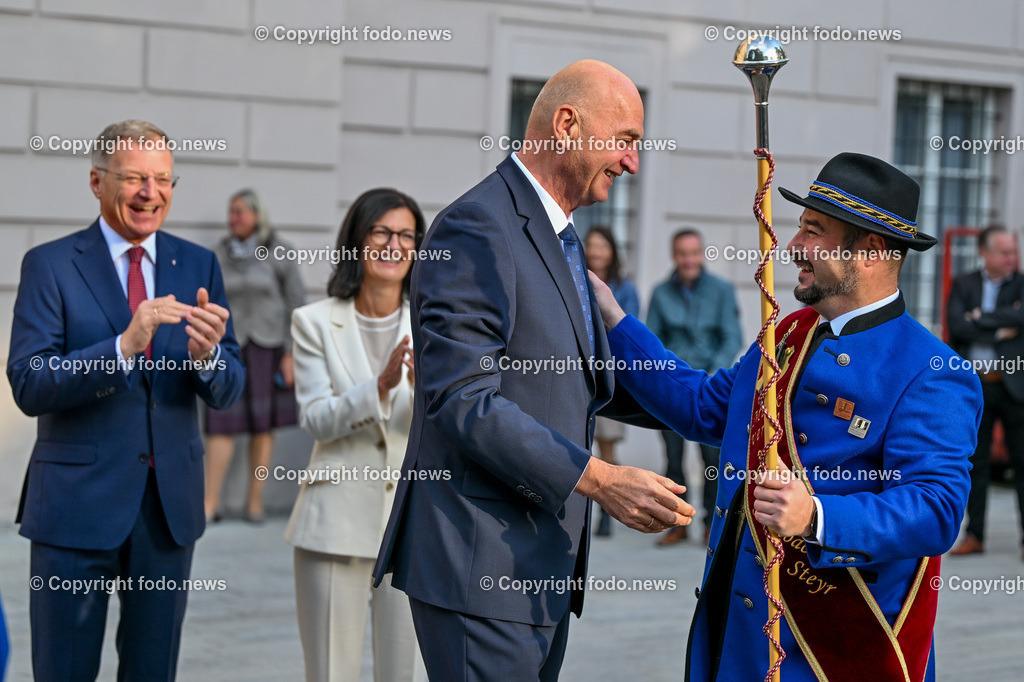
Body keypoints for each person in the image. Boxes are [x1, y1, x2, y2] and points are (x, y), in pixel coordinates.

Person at [591, 152, 983, 681]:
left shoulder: (931, 370)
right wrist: (614, 319)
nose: (793, 246)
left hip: (832, 650)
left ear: (869, 251)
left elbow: (936, 511)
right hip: (738, 632)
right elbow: (704, 407)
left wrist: (817, 517)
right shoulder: (788, 333)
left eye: (814, 231)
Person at [372, 60, 695, 681]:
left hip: (535, 566)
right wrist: (599, 478)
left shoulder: (560, 235)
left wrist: (723, 402)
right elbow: (464, 398)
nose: (632, 163)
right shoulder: (476, 227)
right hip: (479, 563)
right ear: (567, 125)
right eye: (625, 140)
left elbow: (579, 383)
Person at [6, 120, 245, 681]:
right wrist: (121, 347)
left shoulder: (199, 265)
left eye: (163, 179)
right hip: (74, 509)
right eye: (135, 177)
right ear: (96, 180)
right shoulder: (50, 264)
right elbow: (29, 382)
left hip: (166, 513)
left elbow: (229, 388)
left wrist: (208, 357)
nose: (150, 192)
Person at [285, 188, 425, 682]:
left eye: (406, 235)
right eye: (381, 232)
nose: (394, 245)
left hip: (410, 528)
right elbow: (317, 418)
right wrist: (380, 387)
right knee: (329, 673)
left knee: (399, 674)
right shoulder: (314, 322)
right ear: (357, 240)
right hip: (333, 526)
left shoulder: (435, 326)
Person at [205, 189, 305, 523]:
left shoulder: (279, 252)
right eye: (231, 212)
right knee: (221, 423)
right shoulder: (217, 255)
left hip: (268, 347)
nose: (234, 218)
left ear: (257, 215)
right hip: (228, 348)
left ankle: (255, 502)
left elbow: (295, 304)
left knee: (263, 427)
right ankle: (210, 502)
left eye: (241, 212)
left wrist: (290, 353)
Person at [646, 228, 742, 546]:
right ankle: (677, 523)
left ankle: (709, 524)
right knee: (672, 460)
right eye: (682, 253)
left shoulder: (722, 290)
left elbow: (731, 337)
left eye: (693, 252)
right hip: (671, 390)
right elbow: (652, 340)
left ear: (701, 254)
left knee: (712, 462)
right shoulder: (661, 294)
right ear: (675, 256)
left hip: (711, 389)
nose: (688, 259)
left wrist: (714, 377)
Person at [947, 224, 1024, 559]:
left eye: (1013, 251)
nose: (1012, 258)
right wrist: (1002, 328)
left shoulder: (1022, 283)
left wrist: (980, 319)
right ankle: (974, 534)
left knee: (1022, 462)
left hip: (1013, 387)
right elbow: (957, 325)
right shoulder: (964, 284)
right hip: (974, 386)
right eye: (1005, 252)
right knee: (974, 464)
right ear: (985, 253)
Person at [584, 225, 640, 537]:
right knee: (579, 445)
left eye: (602, 246)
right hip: (579, 374)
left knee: (606, 446)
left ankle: (606, 512)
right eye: (591, 246)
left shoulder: (625, 287)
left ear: (612, 251)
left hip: (610, 377)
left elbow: (630, 328)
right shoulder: (573, 278)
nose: (596, 252)